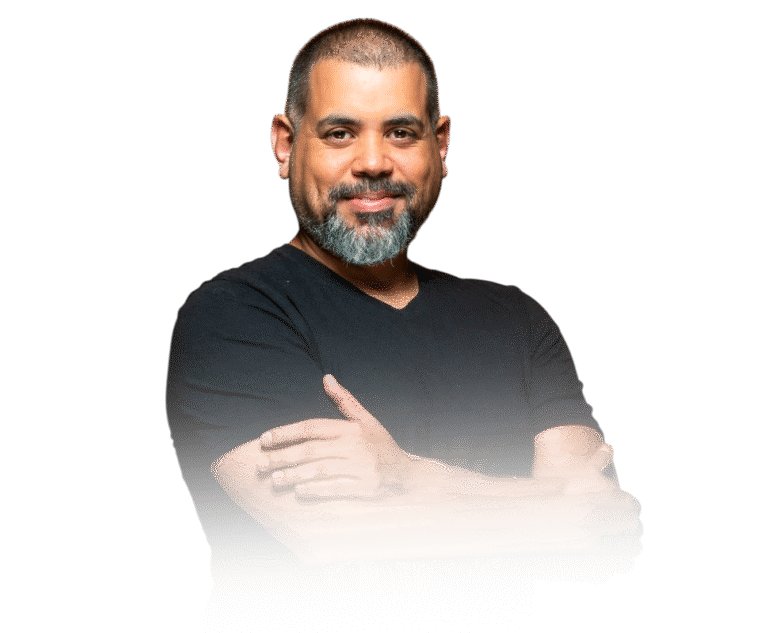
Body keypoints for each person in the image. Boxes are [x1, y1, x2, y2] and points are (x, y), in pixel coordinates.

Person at [165, 18, 640, 567]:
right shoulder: (233, 316)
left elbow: (611, 525)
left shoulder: (520, 321)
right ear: (286, 145)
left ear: (440, 145)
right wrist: (560, 511)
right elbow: (337, 539)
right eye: (339, 133)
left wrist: (409, 477)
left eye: (401, 133)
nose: (373, 163)